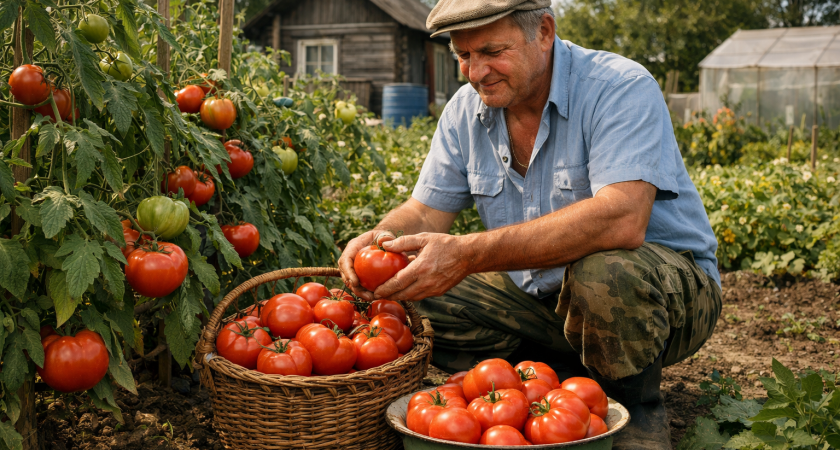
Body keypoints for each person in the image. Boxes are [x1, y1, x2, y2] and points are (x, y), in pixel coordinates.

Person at [338, 0, 721, 448]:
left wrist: (467, 254)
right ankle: (546, 381)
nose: (476, 72)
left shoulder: (618, 87)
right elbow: (424, 210)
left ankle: (634, 407)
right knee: (414, 288)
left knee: (606, 273)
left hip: (661, 298)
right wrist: (382, 240)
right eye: (463, 55)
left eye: (491, 51)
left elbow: (622, 219)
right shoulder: (465, 111)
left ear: (544, 32)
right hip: (543, 299)